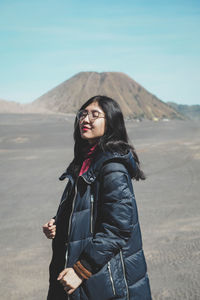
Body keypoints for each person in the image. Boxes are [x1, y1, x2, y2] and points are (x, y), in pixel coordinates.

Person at [43, 95, 152, 300]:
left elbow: (117, 228)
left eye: (95, 115)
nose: (85, 119)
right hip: (86, 274)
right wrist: (60, 224)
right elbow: (88, 209)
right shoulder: (84, 161)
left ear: (111, 122)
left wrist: (81, 270)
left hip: (104, 279)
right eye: (83, 114)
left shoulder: (112, 166)